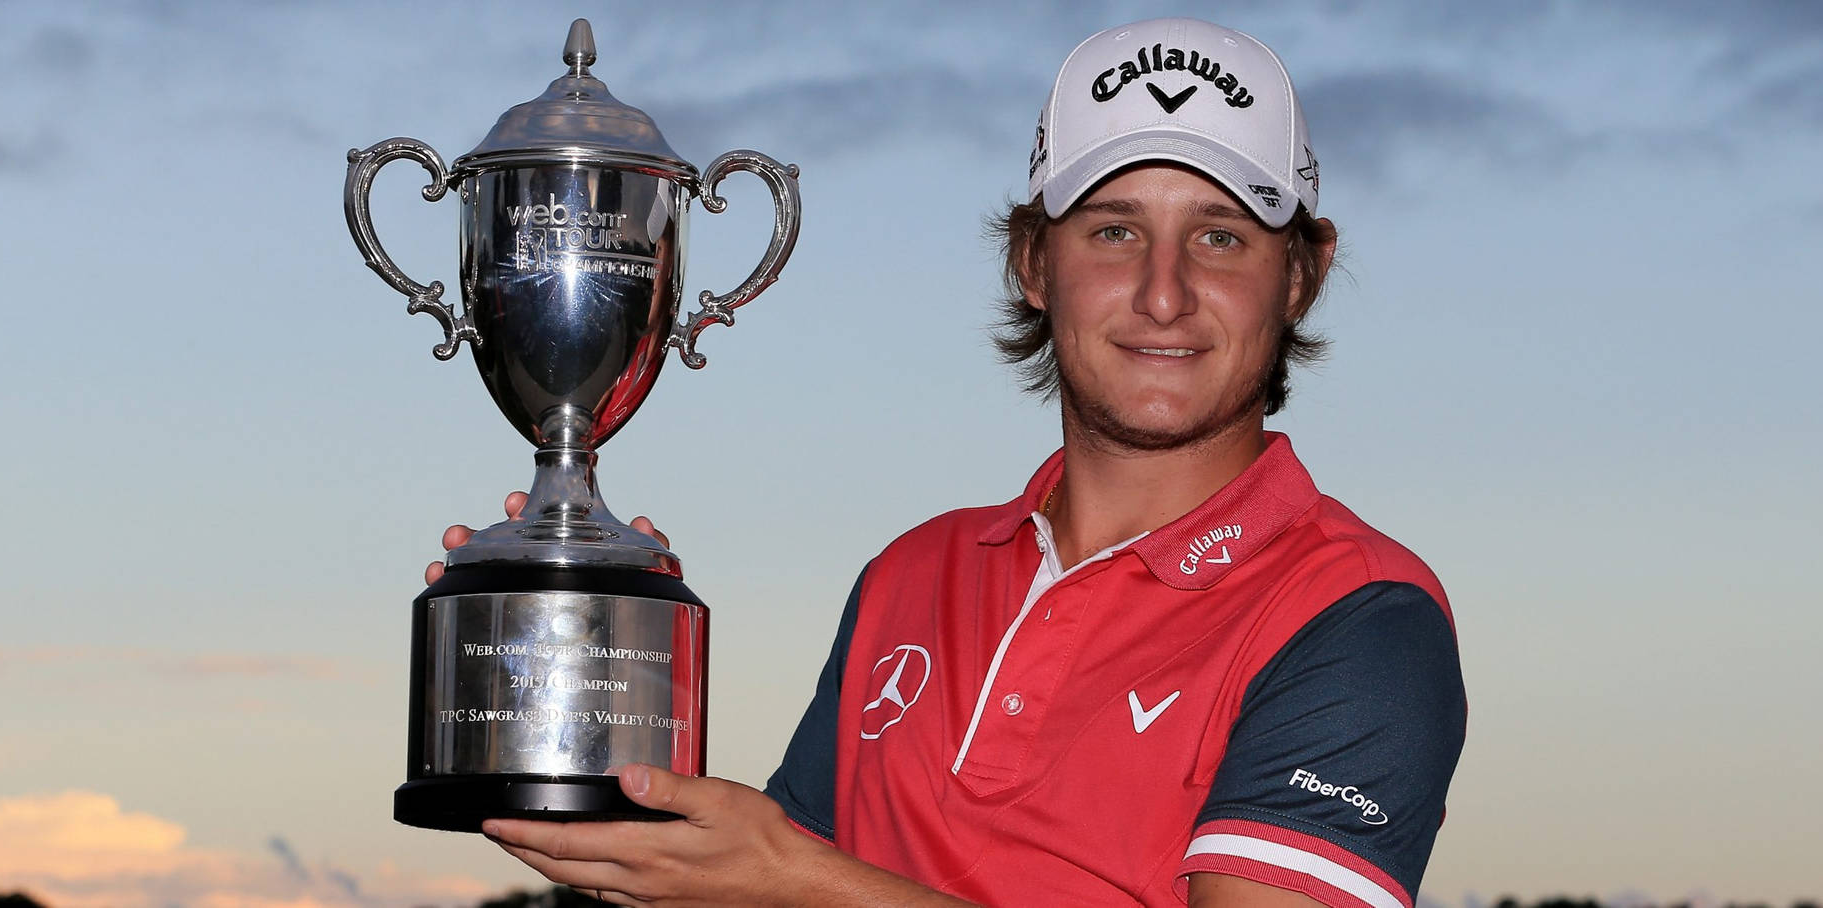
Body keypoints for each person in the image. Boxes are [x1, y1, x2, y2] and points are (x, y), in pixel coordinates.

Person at [428, 17, 1465, 907]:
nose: (1163, 292)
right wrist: (589, 671)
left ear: (1302, 276)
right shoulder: (912, 575)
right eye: (1112, 230)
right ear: (1031, 265)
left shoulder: (1361, 614)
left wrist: (799, 881)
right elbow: (762, 886)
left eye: (1223, 238)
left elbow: (796, 882)